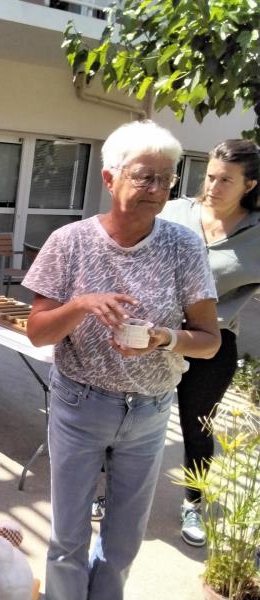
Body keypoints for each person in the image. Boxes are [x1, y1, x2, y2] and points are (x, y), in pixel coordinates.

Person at [21, 120, 221, 600]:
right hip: (80, 403)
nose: (157, 188)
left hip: (150, 411)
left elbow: (209, 341)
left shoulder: (184, 246)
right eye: (144, 176)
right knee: (68, 537)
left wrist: (164, 339)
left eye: (166, 178)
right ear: (110, 179)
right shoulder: (69, 242)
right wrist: (81, 305)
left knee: (124, 540)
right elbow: (38, 332)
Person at [159, 139, 260, 547]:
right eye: (210, 176)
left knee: (197, 426)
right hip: (154, 336)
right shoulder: (173, 212)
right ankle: (109, 492)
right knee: (129, 419)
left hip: (212, 343)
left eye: (226, 180)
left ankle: (193, 502)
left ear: (250, 185)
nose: (213, 187)